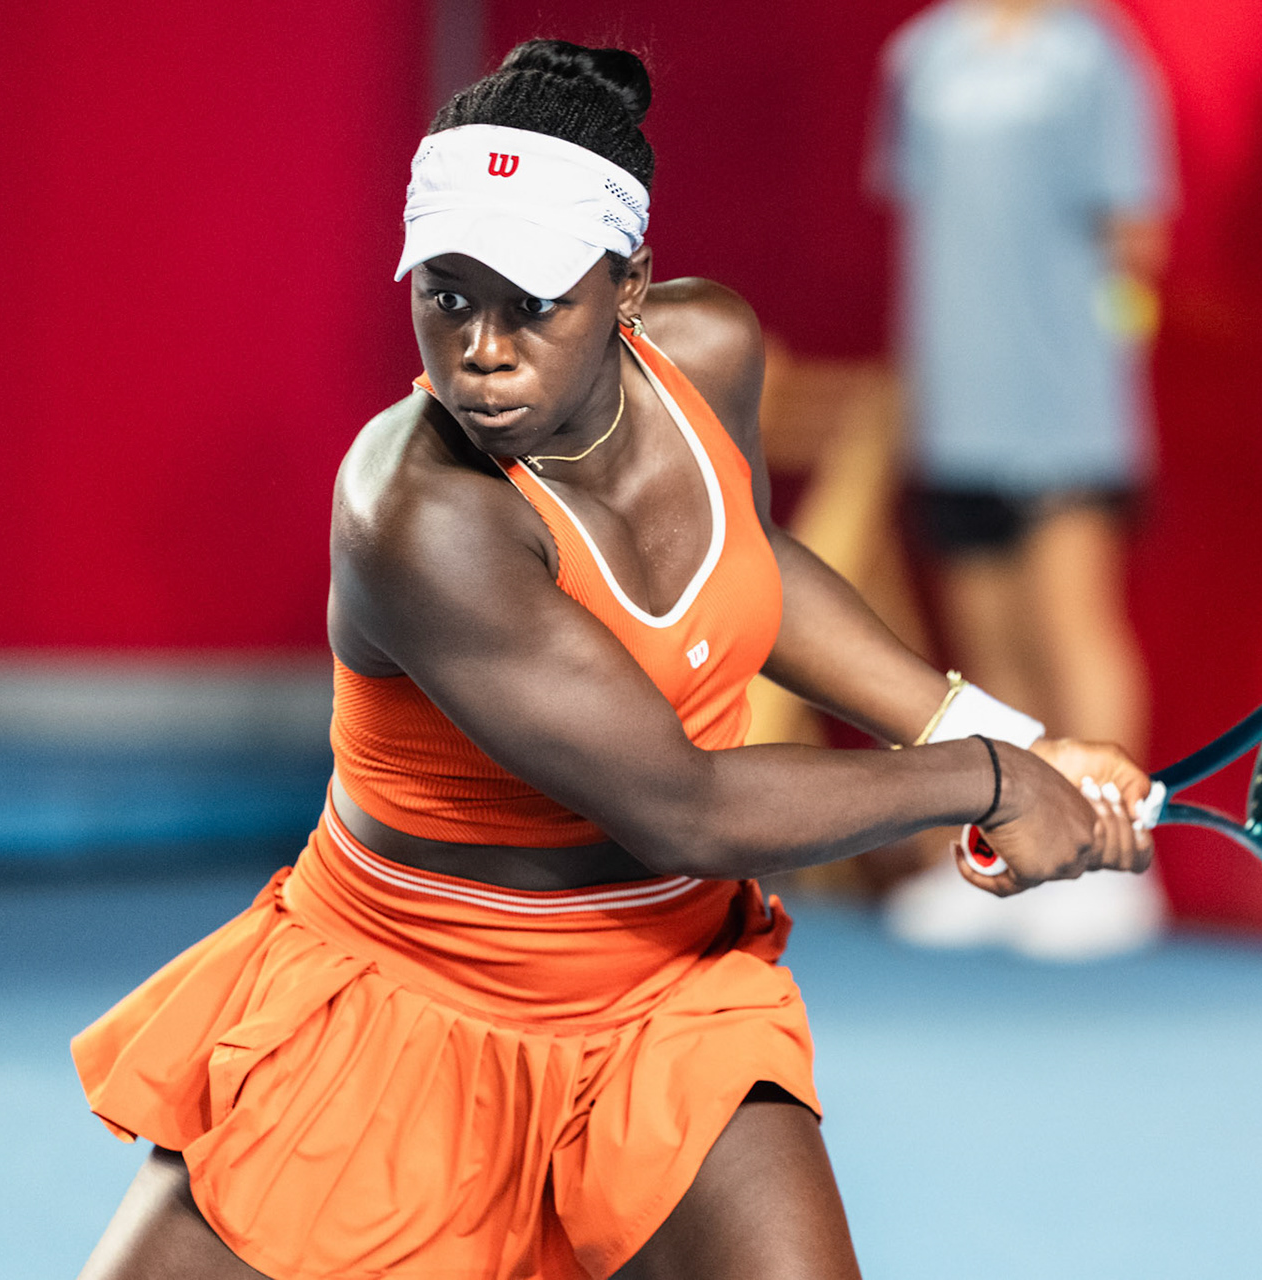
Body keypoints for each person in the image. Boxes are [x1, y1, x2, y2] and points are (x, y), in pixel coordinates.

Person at [70, 40, 1155, 1280]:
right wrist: (992, 780)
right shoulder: (417, 512)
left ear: (629, 284)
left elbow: (747, 561)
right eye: (445, 292)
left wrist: (1007, 733)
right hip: (396, 1000)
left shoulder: (712, 351)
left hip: (662, 998)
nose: (478, 347)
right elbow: (684, 806)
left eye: (531, 300)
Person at [868, 0, 1178, 960]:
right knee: (987, 651)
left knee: (1070, 624)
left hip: (1066, 409)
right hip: (957, 406)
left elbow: (1138, 244)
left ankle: (1110, 858)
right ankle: (1008, 854)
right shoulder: (920, 56)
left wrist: (1081, 353)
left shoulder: (1097, 58)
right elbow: (925, 223)